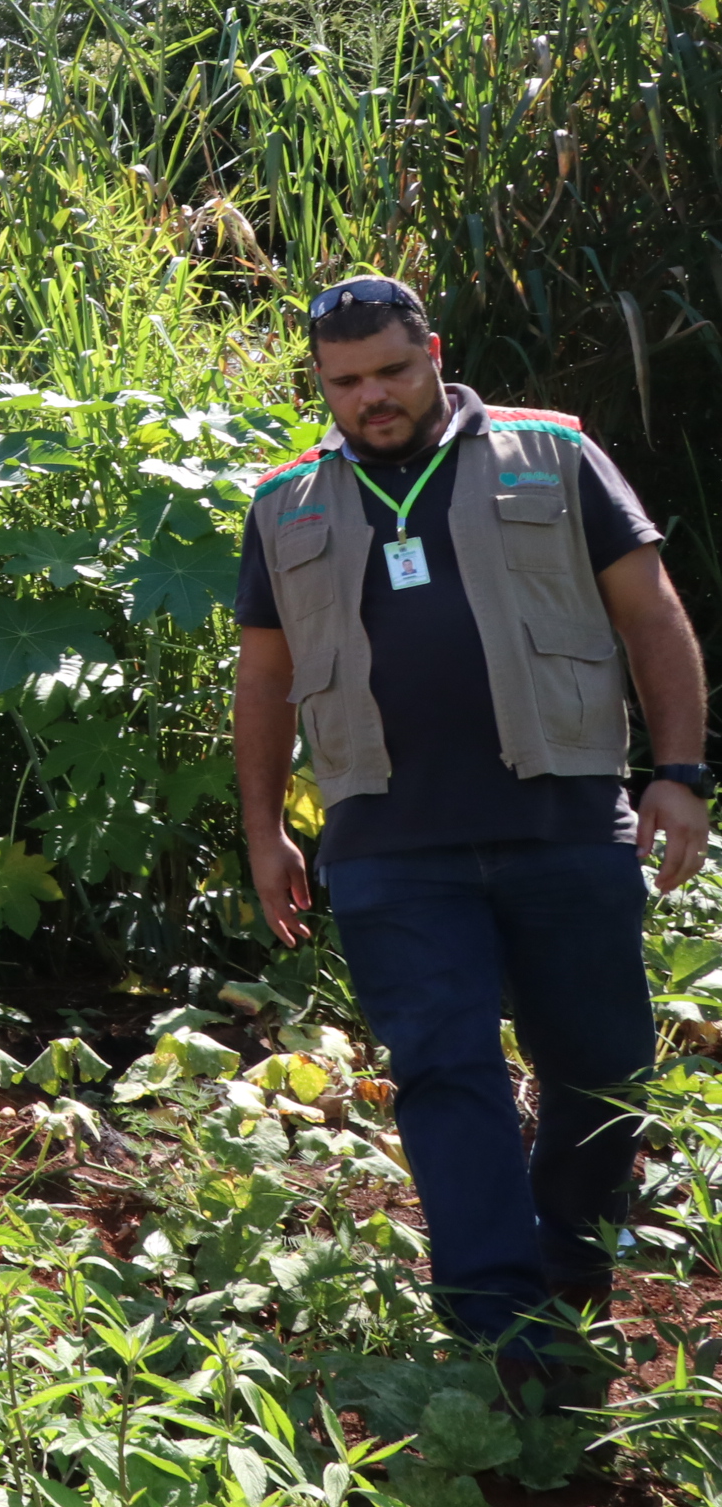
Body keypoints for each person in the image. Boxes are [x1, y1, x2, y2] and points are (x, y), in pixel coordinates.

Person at [233, 274, 706, 1380]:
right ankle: (500, 1332)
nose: (372, 398)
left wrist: (678, 773)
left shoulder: (553, 455)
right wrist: (264, 828)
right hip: (389, 842)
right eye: (345, 383)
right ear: (321, 384)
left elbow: (653, 613)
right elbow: (264, 677)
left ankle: (570, 1271)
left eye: (393, 370)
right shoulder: (287, 502)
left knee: (602, 1063)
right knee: (447, 1068)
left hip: (565, 823)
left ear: (432, 350)